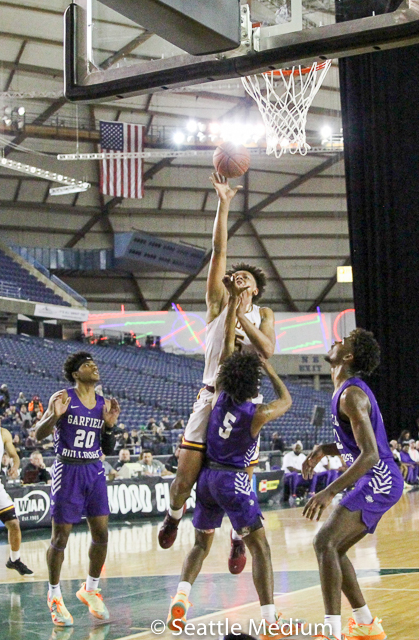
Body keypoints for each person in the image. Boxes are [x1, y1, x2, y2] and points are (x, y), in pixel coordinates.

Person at [159, 173, 276, 578]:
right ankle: (174, 514)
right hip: (210, 395)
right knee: (183, 480)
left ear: (255, 290)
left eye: (246, 279)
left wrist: (242, 317)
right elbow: (219, 250)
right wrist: (224, 203)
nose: (238, 279)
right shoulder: (216, 304)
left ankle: (238, 536)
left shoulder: (263, 314)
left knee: (240, 481)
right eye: (235, 277)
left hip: (245, 404)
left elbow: (267, 350)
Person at [166, 276, 291, 631]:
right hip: (234, 481)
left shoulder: (218, 395)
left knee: (200, 544)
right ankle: (270, 620)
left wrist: (232, 311)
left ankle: (181, 597)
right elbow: (286, 400)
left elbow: (223, 352)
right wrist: (270, 370)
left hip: (207, 479)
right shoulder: (257, 414)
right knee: (261, 548)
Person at [302, 329, 403, 640]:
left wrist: (329, 491)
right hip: (375, 477)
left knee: (324, 543)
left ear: (347, 356)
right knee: (334, 548)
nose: (336, 340)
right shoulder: (343, 392)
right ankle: (366, 624)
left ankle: (332, 632)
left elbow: (370, 454)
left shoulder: (351, 396)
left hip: (380, 478)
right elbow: (356, 445)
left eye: (342, 340)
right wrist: (324, 449)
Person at [35, 351, 120, 626]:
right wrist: (53, 416)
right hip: (68, 469)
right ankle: (54, 595)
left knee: (102, 534)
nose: (94, 367)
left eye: (95, 364)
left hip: (94, 470)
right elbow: (38, 434)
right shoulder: (63, 398)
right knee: (60, 537)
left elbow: (108, 448)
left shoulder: (103, 403)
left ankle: (91, 589)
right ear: (75, 373)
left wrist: (109, 427)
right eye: (87, 365)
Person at [0, 398, 33, 575]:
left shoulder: (3, 434)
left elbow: (14, 456)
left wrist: (15, 466)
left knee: (14, 524)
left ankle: (14, 560)